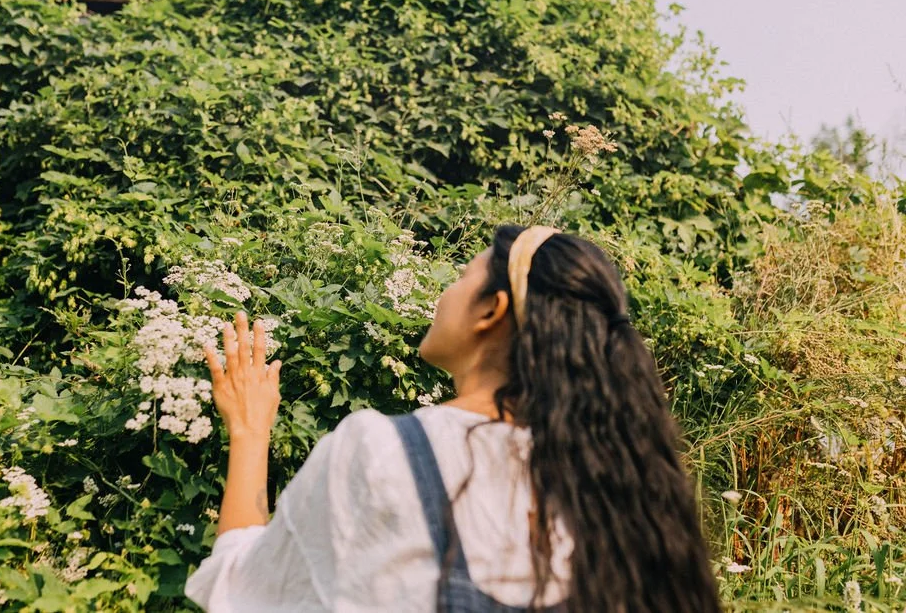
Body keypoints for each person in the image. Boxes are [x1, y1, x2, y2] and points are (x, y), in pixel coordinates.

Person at [185, 224, 721, 612]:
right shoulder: (615, 492)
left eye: (461, 276)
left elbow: (242, 591)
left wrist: (250, 431)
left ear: (491, 311)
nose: (444, 293)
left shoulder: (379, 452)